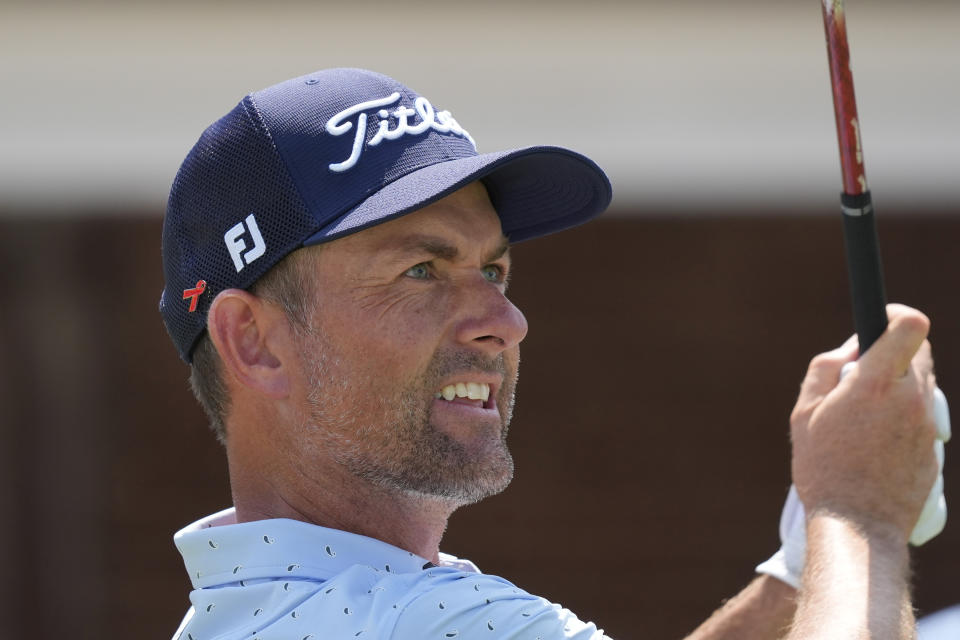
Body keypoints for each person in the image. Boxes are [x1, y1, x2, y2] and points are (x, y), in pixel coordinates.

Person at [160, 68, 945, 639]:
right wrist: (858, 513)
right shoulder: (422, 622)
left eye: (493, 269)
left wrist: (802, 572)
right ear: (254, 342)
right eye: (422, 270)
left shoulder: (248, 615)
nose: (505, 319)